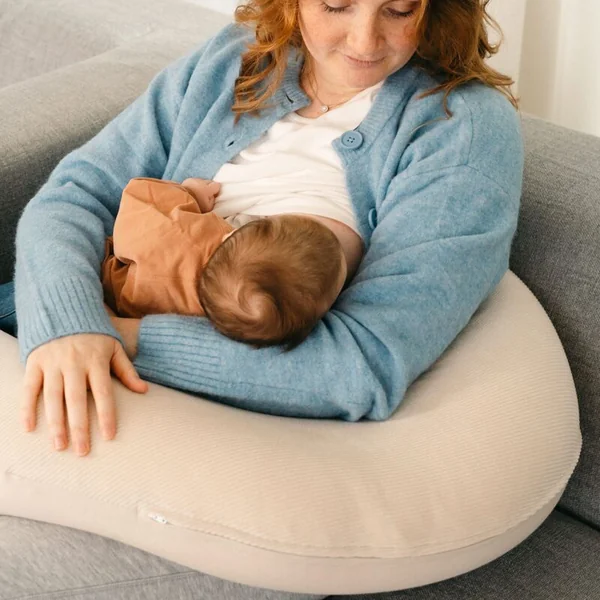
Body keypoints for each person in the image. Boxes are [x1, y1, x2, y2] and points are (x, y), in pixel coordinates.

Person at [0, 0, 524, 467]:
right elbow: (77, 194)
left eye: (400, 9)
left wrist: (114, 335)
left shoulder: (460, 127)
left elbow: (363, 363)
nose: (365, 41)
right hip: (59, 324)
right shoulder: (235, 60)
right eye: (336, 5)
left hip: (204, 409)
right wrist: (66, 323)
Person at [102, 176, 356, 350]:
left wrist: (190, 193)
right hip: (123, 304)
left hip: (111, 274)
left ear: (233, 231)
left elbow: (139, 197)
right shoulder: (203, 315)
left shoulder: (187, 234)